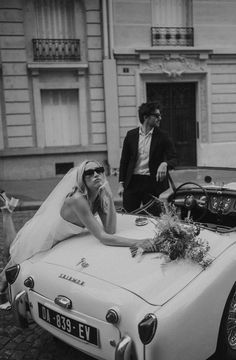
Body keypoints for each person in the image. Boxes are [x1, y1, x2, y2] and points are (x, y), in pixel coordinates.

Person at [0, 160, 154, 295]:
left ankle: (6, 212)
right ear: (82, 178)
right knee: (11, 264)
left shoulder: (99, 196)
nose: (96, 174)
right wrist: (136, 242)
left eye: (99, 170)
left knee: (12, 263)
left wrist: (109, 196)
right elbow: (103, 237)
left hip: (59, 238)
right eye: (89, 172)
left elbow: (110, 230)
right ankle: (6, 214)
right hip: (43, 235)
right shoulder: (77, 199)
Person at [118, 101, 177, 215]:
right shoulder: (131, 135)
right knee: (129, 217)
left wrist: (165, 164)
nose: (160, 118)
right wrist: (121, 184)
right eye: (156, 115)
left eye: (160, 115)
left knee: (153, 219)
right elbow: (124, 161)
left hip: (151, 184)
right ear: (146, 117)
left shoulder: (163, 136)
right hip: (132, 183)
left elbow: (174, 158)